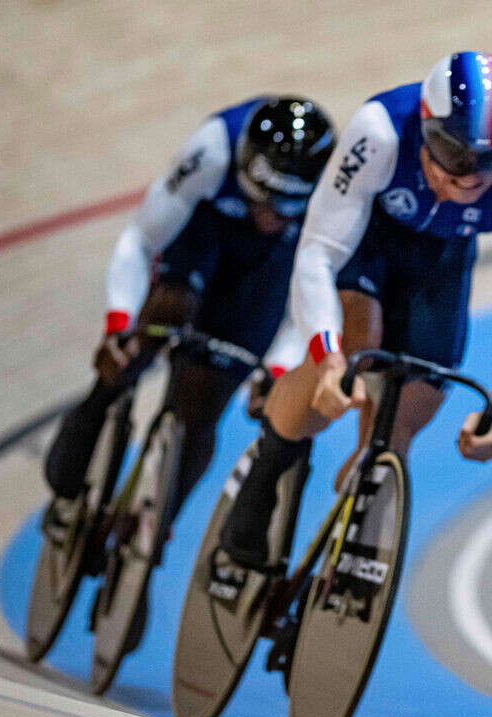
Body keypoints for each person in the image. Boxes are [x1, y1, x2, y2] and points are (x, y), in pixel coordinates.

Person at [219, 51, 492, 568]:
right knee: (357, 346)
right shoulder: (380, 131)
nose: (466, 182)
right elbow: (317, 252)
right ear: (425, 128)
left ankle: (352, 531)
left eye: (487, 162)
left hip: (442, 262)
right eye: (453, 158)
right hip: (369, 240)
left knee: (410, 408)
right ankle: (266, 472)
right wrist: (328, 355)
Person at [42, 96, 335, 539]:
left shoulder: (332, 192)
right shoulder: (213, 151)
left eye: (287, 208)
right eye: (266, 201)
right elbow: (140, 241)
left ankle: (154, 527)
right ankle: (104, 395)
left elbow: (309, 300)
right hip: (205, 233)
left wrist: (276, 370)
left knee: (204, 407)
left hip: (263, 269)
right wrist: (120, 326)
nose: (273, 217)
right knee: (167, 311)